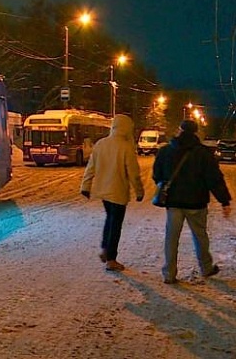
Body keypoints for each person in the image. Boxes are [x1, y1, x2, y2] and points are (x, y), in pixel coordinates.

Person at [152, 119, 231, 284]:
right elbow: (214, 179)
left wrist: (167, 186)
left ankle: (169, 274)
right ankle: (206, 268)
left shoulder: (165, 151)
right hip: (197, 203)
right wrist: (224, 200)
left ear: (179, 130)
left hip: (173, 202)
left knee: (171, 237)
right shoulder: (203, 153)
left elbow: (157, 175)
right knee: (200, 236)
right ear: (195, 133)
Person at [80, 114, 145, 272]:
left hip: (103, 191)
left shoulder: (101, 144)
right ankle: (111, 259)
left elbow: (91, 167)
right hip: (118, 192)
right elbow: (133, 173)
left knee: (110, 219)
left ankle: (105, 248)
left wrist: (85, 186)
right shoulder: (126, 147)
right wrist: (139, 191)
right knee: (115, 224)